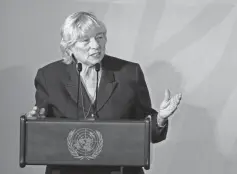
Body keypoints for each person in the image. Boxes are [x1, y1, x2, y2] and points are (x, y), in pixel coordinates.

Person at [26, 11, 182, 174]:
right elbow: (43, 130)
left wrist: (161, 118)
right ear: (69, 46)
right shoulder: (49, 76)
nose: (96, 45)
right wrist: (35, 125)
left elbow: (145, 129)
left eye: (99, 37)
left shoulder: (129, 73)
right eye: (86, 40)